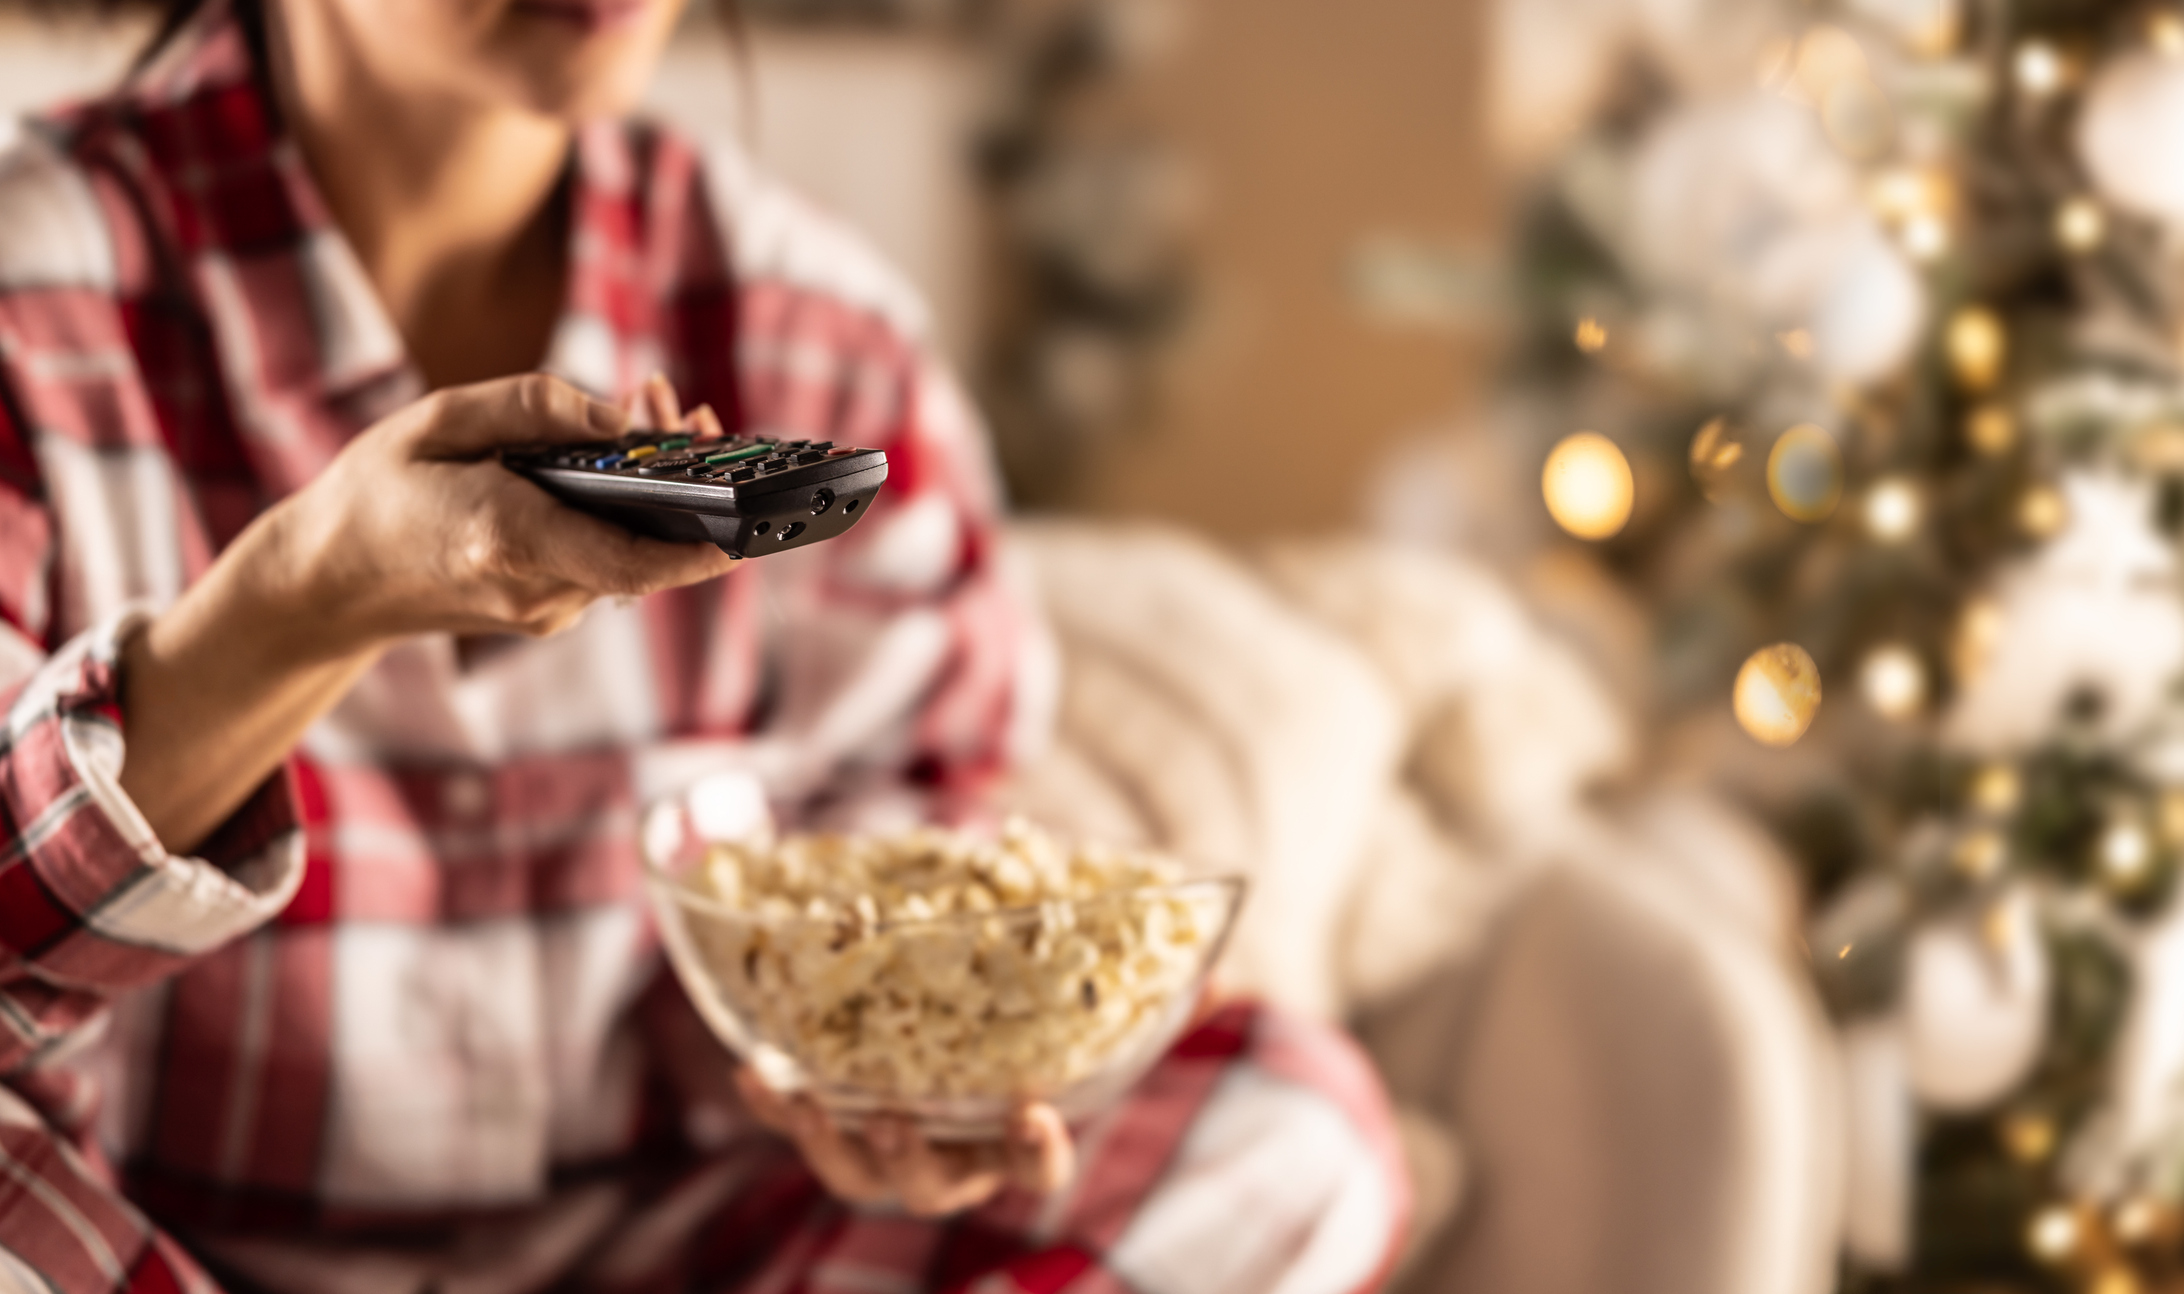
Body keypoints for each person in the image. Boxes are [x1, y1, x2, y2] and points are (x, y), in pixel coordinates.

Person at [0, 0, 1409, 1288]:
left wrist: (874, 1068)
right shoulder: (28, 296)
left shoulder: (823, 333)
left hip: (674, 1246)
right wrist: (315, 593)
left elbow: (894, 832)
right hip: (157, 1249)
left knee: (1287, 1125)